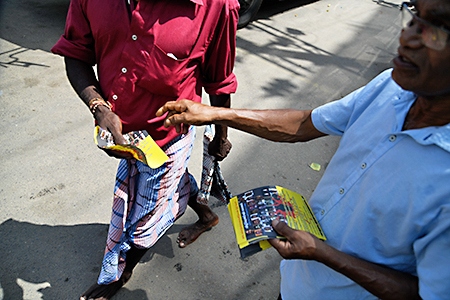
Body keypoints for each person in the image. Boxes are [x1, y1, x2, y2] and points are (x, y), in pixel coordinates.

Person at [157, 0, 450, 298]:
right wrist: (218, 114)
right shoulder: (389, 87)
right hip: (296, 284)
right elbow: (305, 124)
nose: (406, 36)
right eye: (413, 17)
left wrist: (322, 254)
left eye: (435, 29)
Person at [51, 0, 239, 298]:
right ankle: (207, 216)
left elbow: (219, 81)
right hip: (125, 140)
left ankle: (120, 274)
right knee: (163, 187)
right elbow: (75, 53)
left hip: (170, 137)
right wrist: (99, 109)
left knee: (143, 221)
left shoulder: (217, 6)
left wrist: (220, 136)